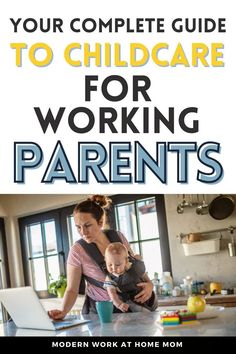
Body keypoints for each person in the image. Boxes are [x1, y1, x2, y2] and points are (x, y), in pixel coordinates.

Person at [48, 195, 154, 319]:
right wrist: (63, 311)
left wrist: (149, 284)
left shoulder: (117, 236)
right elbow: (72, 289)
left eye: (87, 225)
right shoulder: (77, 251)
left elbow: (133, 264)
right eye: (78, 227)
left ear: (100, 222)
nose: (83, 232)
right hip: (105, 313)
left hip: (136, 307)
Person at [104, 242, 158, 312]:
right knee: (145, 316)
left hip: (150, 297)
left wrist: (139, 260)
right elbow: (112, 295)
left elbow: (143, 274)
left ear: (126, 261)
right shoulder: (110, 279)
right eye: (109, 264)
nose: (113, 268)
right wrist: (119, 304)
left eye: (117, 264)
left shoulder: (132, 266)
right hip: (133, 302)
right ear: (105, 261)